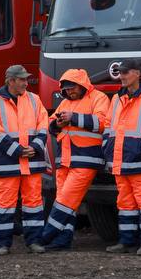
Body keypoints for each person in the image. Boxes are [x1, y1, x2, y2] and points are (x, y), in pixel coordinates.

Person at [38, 68, 111, 250]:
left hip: (87, 159)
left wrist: (73, 118)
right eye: (66, 90)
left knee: (66, 200)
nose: (69, 92)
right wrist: (58, 123)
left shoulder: (99, 98)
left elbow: (103, 123)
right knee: (65, 201)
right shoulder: (65, 103)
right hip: (65, 160)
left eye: (72, 88)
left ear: (81, 85)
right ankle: (62, 241)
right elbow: (50, 124)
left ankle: (45, 238)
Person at [0, 64, 50, 255]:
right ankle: (3, 244)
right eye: (22, 79)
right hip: (9, 162)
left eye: (26, 79)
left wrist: (35, 147)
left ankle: (34, 241)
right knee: (5, 203)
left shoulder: (34, 99)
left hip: (30, 160)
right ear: (11, 81)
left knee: (34, 203)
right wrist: (18, 151)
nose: (26, 83)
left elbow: (43, 125)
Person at [102, 58, 141, 255]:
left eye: (126, 72)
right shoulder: (116, 99)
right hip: (121, 162)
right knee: (125, 204)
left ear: (137, 73)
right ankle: (126, 242)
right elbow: (108, 126)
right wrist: (107, 146)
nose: (122, 76)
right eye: (120, 73)